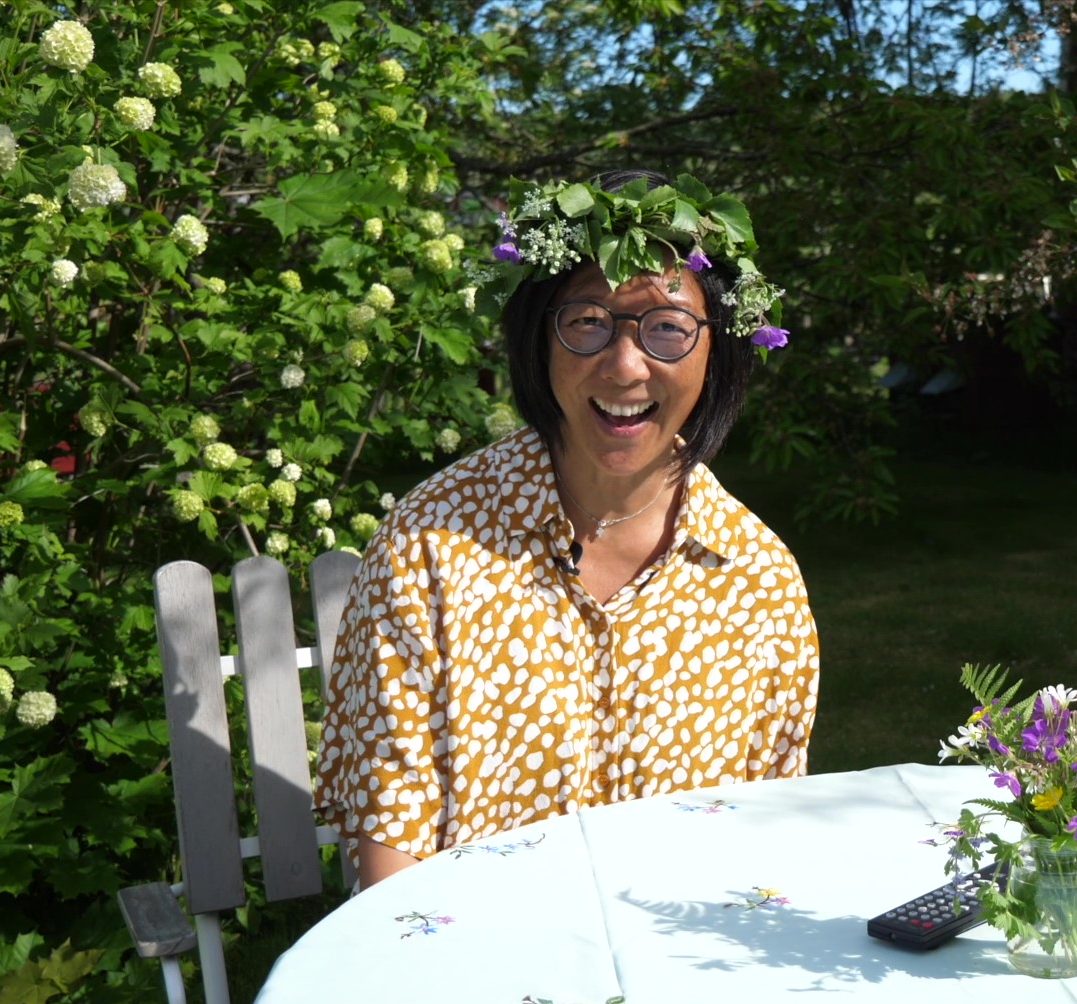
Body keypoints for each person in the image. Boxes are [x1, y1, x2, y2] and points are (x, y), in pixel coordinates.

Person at [317, 169, 820, 887]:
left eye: (668, 328)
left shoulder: (759, 581)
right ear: (538, 340)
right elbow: (391, 848)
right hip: (471, 967)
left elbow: (766, 844)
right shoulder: (428, 546)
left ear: (719, 353)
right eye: (586, 322)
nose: (624, 365)